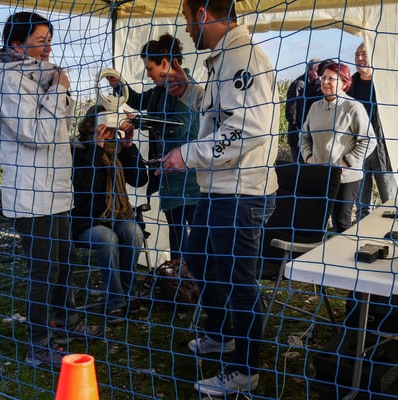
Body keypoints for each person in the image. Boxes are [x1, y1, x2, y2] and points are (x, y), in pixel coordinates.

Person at [159, 0, 279, 396]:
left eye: (187, 19)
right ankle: (221, 334)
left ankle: (245, 370)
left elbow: (250, 128)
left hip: (242, 194)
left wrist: (187, 154)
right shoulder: (222, 59)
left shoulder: (243, 57)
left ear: (203, 14)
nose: (187, 29)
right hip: (218, 190)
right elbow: (220, 112)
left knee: (239, 283)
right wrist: (188, 89)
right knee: (197, 259)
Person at [0, 12, 102, 368]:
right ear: (17, 45)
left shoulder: (41, 76)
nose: (48, 48)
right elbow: (37, 134)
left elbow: (58, 127)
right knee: (43, 271)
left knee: (64, 263)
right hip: (30, 196)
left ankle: (67, 323)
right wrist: (59, 89)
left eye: (50, 41)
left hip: (57, 191)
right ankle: (38, 344)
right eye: (41, 42)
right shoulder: (8, 84)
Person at [109, 33, 200, 264]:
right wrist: (120, 86)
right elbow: (139, 101)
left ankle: (192, 276)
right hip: (168, 176)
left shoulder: (184, 91)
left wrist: (141, 122)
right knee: (176, 231)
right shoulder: (160, 91)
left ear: (165, 64)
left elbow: (179, 128)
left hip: (189, 179)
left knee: (197, 234)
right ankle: (180, 276)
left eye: (150, 68)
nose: (148, 74)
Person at [71, 106, 148, 324]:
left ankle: (127, 294)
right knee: (107, 238)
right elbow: (86, 187)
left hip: (118, 215)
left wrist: (129, 147)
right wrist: (97, 147)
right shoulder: (77, 149)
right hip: (86, 220)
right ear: (89, 126)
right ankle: (116, 302)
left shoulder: (118, 150)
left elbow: (140, 180)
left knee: (134, 233)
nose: (109, 130)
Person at [300, 61, 377, 232]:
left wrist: (347, 162)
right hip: (320, 174)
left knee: (341, 222)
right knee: (315, 222)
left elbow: (369, 140)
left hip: (345, 177)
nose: (325, 82)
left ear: (344, 83)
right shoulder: (315, 107)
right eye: (323, 78)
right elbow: (304, 137)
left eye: (331, 79)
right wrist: (309, 157)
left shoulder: (353, 107)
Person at [348, 43, 398, 218]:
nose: (359, 58)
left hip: (383, 149)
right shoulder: (349, 85)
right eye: (357, 55)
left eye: (364, 54)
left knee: (391, 201)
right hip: (358, 148)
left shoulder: (385, 84)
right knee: (362, 204)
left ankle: (393, 229)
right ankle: (363, 231)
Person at [285, 58, 322, 162]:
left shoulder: (318, 85)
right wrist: (301, 130)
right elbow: (291, 113)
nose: (320, 74)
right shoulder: (298, 85)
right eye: (318, 70)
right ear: (310, 70)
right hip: (297, 136)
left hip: (311, 137)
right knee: (299, 166)